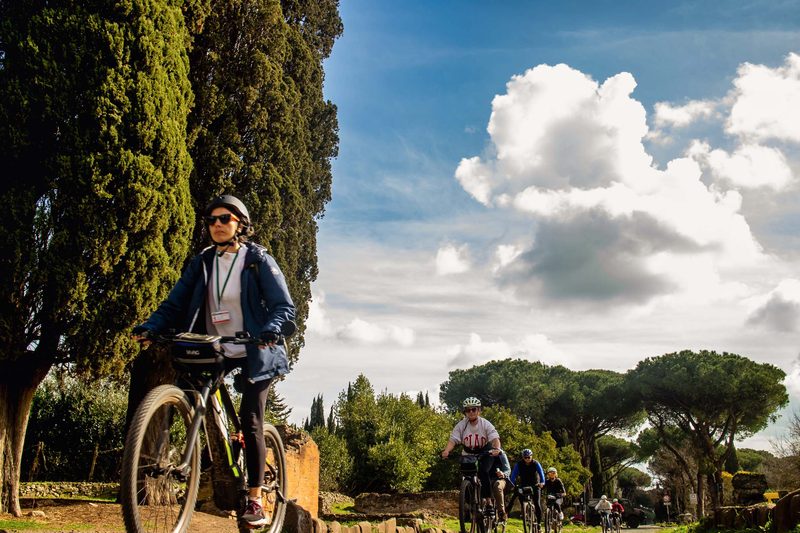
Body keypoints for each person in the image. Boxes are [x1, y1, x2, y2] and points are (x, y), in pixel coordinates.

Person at [132, 194, 295, 528]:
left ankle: (254, 500)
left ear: (241, 224)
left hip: (255, 348)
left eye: (225, 219)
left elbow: (283, 306)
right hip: (214, 347)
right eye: (212, 220)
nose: (217, 225)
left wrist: (271, 330)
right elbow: (174, 303)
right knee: (197, 396)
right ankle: (204, 465)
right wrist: (152, 327)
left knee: (250, 419)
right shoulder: (202, 262)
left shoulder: (257, 260)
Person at [441, 398, 504, 517]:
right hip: (468, 452)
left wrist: (496, 449)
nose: (471, 412)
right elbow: (453, 439)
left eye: (473, 409)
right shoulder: (461, 425)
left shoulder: (485, 424)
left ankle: (489, 502)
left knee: (483, 471)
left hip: (485, 451)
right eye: (468, 410)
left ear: (479, 410)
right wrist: (446, 451)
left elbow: (495, 438)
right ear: (465, 412)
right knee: (466, 475)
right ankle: (470, 500)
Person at [509, 448, 545, 524]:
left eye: (529, 457)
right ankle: (523, 511)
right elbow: (513, 475)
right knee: (517, 496)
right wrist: (511, 484)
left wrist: (542, 482)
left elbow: (541, 473)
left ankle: (538, 524)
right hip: (524, 484)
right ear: (523, 457)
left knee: (537, 504)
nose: (527, 459)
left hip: (535, 484)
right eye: (525, 457)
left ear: (531, 456)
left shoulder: (536, 463)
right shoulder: (519, 464)